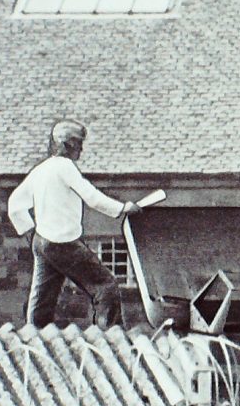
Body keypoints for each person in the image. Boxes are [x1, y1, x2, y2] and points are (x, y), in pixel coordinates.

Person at [8, 119, 142, 328]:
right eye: (78, 144)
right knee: (106, 286)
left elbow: (15, 204)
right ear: (67, 145)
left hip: (43, 242)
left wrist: (31, 233)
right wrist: (123, 208)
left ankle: (35, 337)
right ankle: (110, 336)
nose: (81, 149)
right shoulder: (65, 167)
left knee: (42, 298)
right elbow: (92, 197)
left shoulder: (41, 170)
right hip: (64, 243)